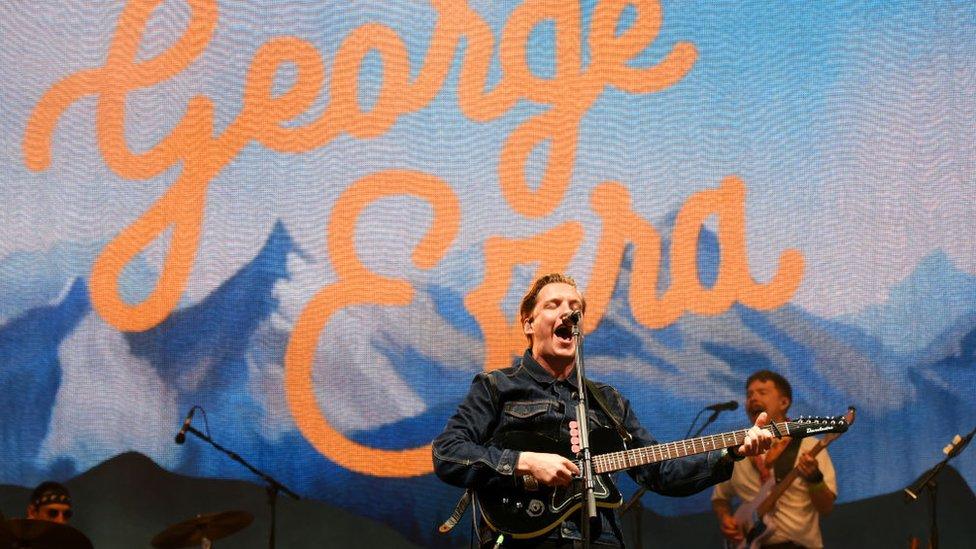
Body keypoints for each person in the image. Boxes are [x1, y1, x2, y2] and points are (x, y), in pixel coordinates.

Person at [433, 273, 774, 547]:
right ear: (528, 322)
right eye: (554, 305)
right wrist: (526, 462)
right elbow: (448, 453)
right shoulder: (497, 387)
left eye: (574, 306)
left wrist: (732, 452)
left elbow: (659, 471)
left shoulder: (608, 401)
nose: (567, 312)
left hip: (600, 539)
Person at [711, 370, 837, 549]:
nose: (753, 398)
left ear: (784, 402)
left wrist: (814, 479)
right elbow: (720, 498)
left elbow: (826, 509)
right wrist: (726, 520)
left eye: (762, 392)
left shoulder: (809, 446)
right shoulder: (736, 451)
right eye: (749, 395)